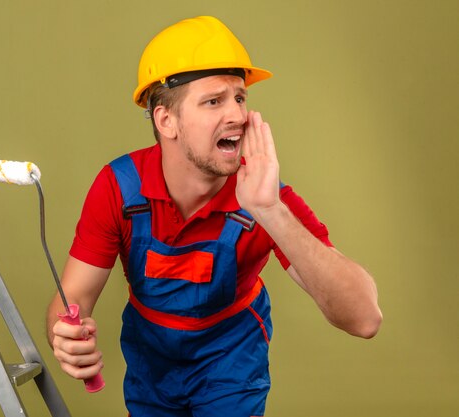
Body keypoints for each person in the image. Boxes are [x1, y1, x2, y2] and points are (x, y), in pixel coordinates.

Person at [46, 15, 382, 417]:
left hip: (231, 360)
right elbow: (73, 298)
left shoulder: (266, 197)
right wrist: (65, 335)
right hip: (150, 360)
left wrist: (270, 211)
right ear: (165, 120)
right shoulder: (119, 188)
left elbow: (364, 318)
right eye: (214, 101)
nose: (238, 115)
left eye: (239, 97)